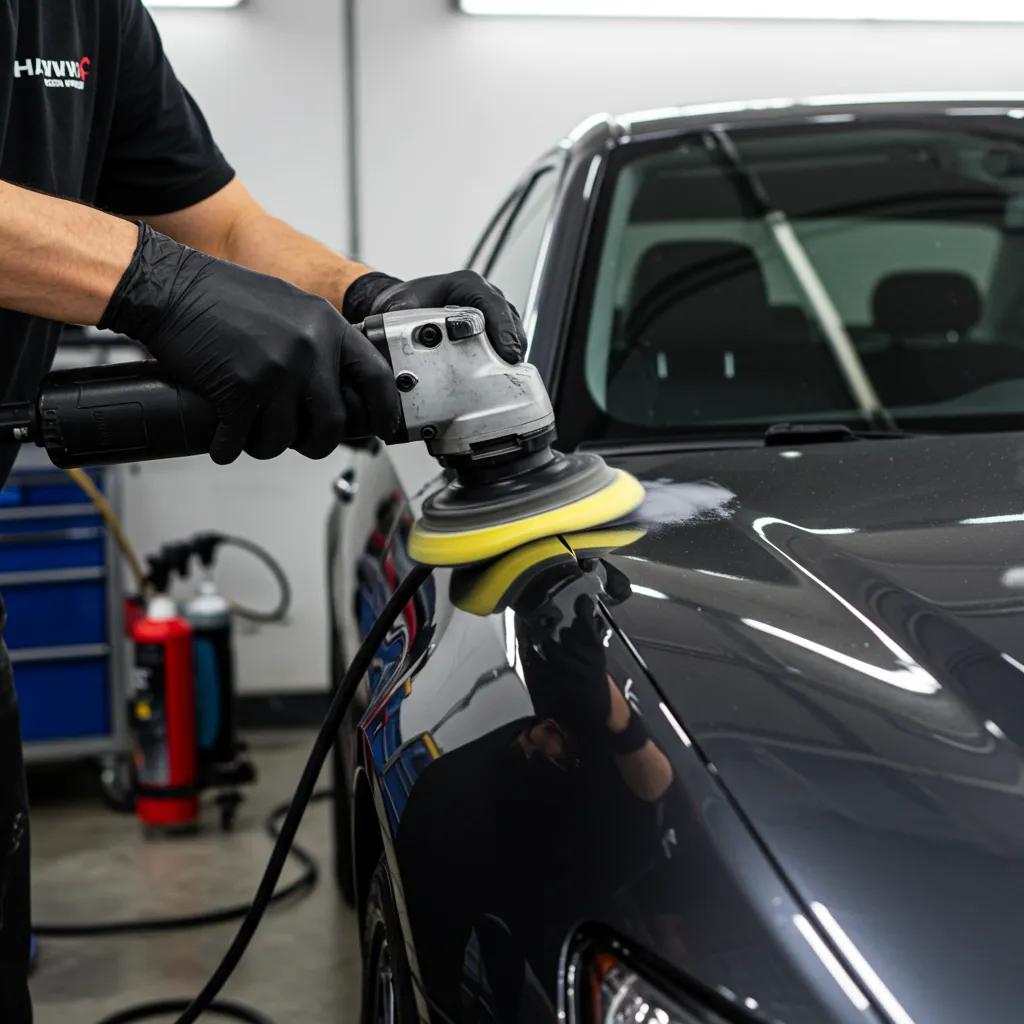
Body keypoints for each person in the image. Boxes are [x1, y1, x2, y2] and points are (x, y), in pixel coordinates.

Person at [0, 2, 525, 1018]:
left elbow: (225, 224)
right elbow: (176, 262)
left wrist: (364, 294)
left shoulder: (91, 14)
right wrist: (157, 284)